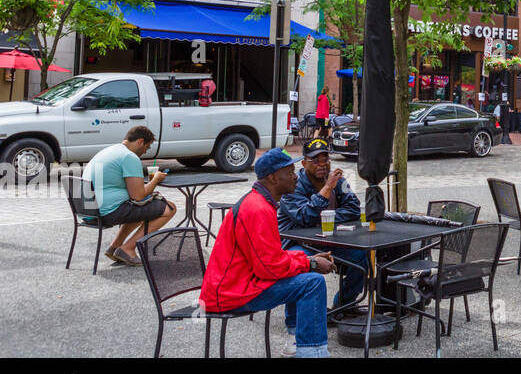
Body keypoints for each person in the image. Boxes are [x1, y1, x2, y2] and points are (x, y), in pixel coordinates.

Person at [200, 148, 335, 358]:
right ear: (273, 177)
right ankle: (313, 353)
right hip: (232, 293)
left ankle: (297, 345)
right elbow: (270, 268)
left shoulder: (259, 202)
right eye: (289, 172)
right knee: (312, 283)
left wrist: (307, 259)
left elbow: (271, 258)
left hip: (237, 285)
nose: (295, 176)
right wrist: (312, 264)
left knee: (303, 274)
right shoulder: (258, 209)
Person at [277, 139, 366, 317]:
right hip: (297, 242)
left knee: (361, 256)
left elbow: (354, 208)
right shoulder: (294, 184)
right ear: (304, 163)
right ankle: (296, 318)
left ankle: (343, 305)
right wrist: (326, 189)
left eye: (325, 160)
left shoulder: (337, 180)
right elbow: (304, 216)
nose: (322, 165)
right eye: (315, 160)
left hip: (328, 240)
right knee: (300, 263)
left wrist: (327, 217)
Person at [81, 126, 177, 266]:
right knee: (170, 208)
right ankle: (128, 248)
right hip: (106, 212)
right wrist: (155, 180)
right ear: (140, 141)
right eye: (147, 147)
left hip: (88, 210)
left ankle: (115, 246)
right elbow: (138, 196)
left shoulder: (111, 150)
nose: (145, 151)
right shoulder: (129, 157)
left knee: (143, 206)